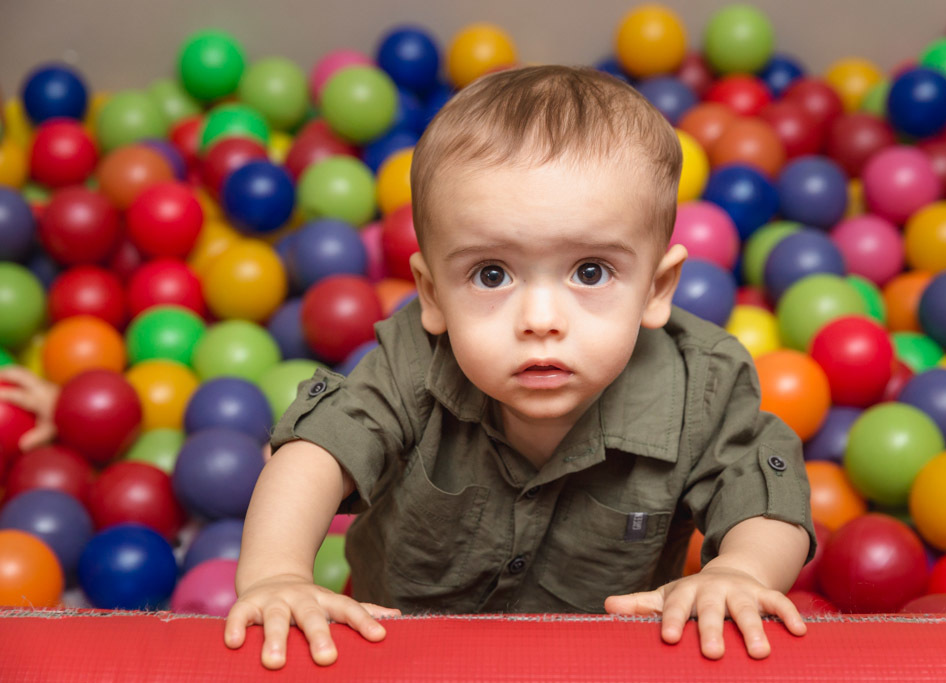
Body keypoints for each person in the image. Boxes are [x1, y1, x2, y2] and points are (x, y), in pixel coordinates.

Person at [224, 64, 815, 671]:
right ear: (431, 295)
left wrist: (739, 570)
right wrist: (277, 574)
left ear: (656, 288)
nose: (539, 318)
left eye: (590, 272)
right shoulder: (413, 363)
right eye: (491, 274)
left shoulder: (701, 387)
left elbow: (764, 498)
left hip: (602, 665)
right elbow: (313, 453)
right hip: (405, 659)